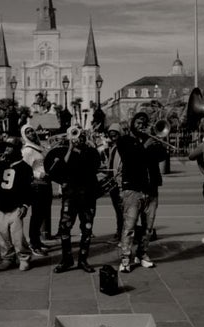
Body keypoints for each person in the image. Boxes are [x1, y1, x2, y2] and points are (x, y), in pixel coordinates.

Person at [112, 112, 168, 271]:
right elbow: (131, 159)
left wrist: (159, 142)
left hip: (151, 189)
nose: (142, 124)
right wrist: (145, 146)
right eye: (138, 121)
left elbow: (162, 157)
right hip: (133, 189)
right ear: (132, 123)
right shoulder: (125, 141)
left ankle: (142, 254)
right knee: (129, 227)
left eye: (144, 122)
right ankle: (125, 258)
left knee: (148, 227)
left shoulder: (152, 140)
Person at [49, 126, 102, 273]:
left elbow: (95, 166)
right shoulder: (64, 151)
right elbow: (60, 168)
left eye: (79, 134)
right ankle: (66, 259)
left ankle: (83, 260)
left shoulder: (90, 151)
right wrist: (70, 148)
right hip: (70, 196)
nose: (77, 137)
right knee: (64, 228)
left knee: (87, 228)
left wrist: (86, 146)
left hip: (88, 196)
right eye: (73, 133)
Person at [0, 136, 34, 270]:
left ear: (16, 149)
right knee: (2, 233)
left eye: (10, 147)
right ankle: (7, 257)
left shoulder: (25, 167)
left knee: (17, 236)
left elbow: (28, 189)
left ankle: (24, 257)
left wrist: (25, 205)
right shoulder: (3, 164)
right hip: (1, 204)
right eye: (6, 147)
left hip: (16, 206)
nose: (7, 150)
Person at [21, 123, 52, 256]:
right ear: (24, 135)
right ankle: (33, 243)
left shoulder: (38, 147)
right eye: (27, 132)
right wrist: (39, 174)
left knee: (42, 214)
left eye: (32, 131)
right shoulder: (27, 150)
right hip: (37, 185)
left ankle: (37, 241)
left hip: (46, 184)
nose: (31, 134)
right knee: (37, 215)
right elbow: (25, 170)